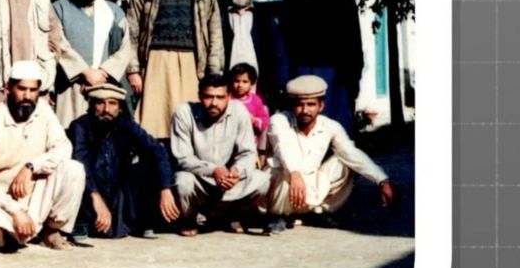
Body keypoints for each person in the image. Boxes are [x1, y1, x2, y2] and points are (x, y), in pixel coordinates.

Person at [0, 61, 86, 250]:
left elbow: (64, 147)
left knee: (74, 169)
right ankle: (9, 234)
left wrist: (31, 167)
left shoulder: (44, 111)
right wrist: (15, 210)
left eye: (33, 90)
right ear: (8, 88)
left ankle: (49, 231)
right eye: (21, 89)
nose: (27, 96)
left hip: (34, 197)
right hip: (1, 201)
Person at [265, 75, 395, 233]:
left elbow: (352, 153)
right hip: (281, 189)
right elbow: (282, 147)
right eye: (299, 105)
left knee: (346, 163)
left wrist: (382, 180)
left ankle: (317, 212)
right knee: (281, 166)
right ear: (292, 106)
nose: (305, 110)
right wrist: (294, 173)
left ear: (321, 106)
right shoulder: (279, 120)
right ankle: (278, 216)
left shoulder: (330, 126)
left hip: (308, 187)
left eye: (311, 104)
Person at [126, 0, 224, 141]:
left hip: (191, 64)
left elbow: (215, 34)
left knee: (189, 126)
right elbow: (131, 31)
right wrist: (133, 70)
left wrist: (213, 73)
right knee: (153, 126)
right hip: (155, 62)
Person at [68, 83, 179, 240]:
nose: (106, 109)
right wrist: (96, 197)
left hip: (117, 192)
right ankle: (81, 224)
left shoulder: (126, 124)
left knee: (149, 164)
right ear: (92, 105)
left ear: (119, 107)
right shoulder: (80, 127)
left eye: (112, 103)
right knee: (75, 170)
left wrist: (165, 189)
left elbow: (157, 151)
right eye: (100, 103)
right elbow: (82, 163)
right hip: (89, 194)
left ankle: (142, 220)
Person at [169, 74, 270, 236]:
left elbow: (247, 153)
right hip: (199, 180)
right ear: (199, 96)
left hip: (228, 182)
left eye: (220, 97)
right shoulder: (184, 113)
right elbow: (182, 158)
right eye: (208, 97)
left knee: (262, 181)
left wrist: (236, 171)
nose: (214, 103)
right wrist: (213, 170)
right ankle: (189, 218)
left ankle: (231, 217)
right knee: (183, 181)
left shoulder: (239, 111)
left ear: (228, 96)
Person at [280, 0, 364, 133]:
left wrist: (354, 78)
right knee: (305, 131)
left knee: (338, 131)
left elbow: (353, 42)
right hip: (302, 71)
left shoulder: (344, 0)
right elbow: (285, 42)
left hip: (338, 75)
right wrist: (285, 78)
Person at [52, 0, 134, 128]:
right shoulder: (59, 9)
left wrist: (103, 73)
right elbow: (57, 43)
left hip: (106, 86)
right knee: (71, 133)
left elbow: (125, 48)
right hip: (72, 87)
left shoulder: (113, 11)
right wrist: (84, 72)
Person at [221, 0, 289, 111]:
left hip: (259, 94)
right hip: (226, 94)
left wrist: (279, 88)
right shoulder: (219, 16)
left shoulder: (265, 18)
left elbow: (279, 54)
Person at [228, 62, 271, 165]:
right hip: (229, 140)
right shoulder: (227, 99)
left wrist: (254, 120)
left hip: (249, 142)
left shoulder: (255, 100)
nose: (240, 85)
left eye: (245, 81)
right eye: (236, 81)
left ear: (252, 84)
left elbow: (264, 121)